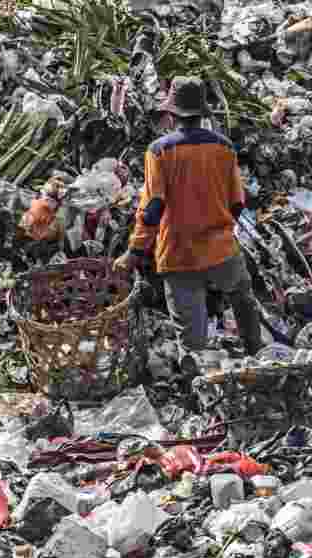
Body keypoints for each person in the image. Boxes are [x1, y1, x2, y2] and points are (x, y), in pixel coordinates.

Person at [113, 76, 264, 359]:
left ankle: (196, 388)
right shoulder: (224, 148)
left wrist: (134, 252)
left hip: (179, 253)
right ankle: (257, 356)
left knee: (192, 340)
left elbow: (153, 207)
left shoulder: (160, 151)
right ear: (201, 113)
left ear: (171, 114)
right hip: (221, 248)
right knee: (243, 298)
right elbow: (237, 204)